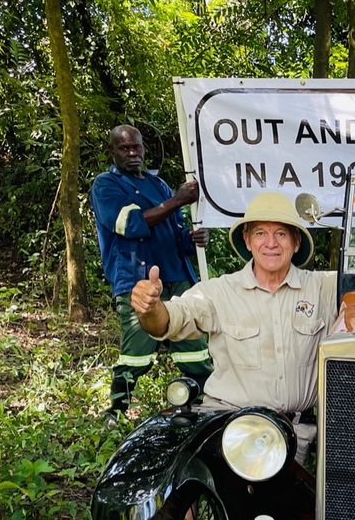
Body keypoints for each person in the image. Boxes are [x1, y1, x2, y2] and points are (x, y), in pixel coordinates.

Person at [130, 191, 337, 464]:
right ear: (248, 241)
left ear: (296, 242)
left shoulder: (325, 288)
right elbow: (169, 320)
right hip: (229, 426)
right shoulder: (218, 292)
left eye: (282, 234)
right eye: (261, 233)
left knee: (291, 505)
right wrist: (150, 307)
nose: (271, 243)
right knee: (184, 485)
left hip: (293, 434)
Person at [90, 124, 213, 426]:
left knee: (193, 350)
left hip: (178, 277)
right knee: (136, 353)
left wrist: (191, 239)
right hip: (138, 280)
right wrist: (177, 201)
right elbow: (131, 225)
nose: (132, 153)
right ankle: (116, 413)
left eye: (136, 147)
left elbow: (175, 232)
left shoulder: (159, 186)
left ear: (144, 148)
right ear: (112, 151)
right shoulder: (106, 185)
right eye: (124, 148)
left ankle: (205, 406)